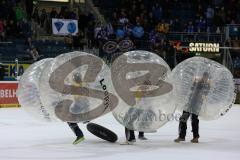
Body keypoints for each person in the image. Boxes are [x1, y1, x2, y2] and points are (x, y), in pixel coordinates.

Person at [174, 72, 211, 143]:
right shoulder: (197, 82)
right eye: (204, 77)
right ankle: (182, 136)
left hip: (197, 104)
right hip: (190, 103)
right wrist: (194, 82)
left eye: (206, 77)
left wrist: (201, 85)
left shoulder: (207, 85)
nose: (204, 78)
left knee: (194, 120)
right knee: (183, 119)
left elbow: (204, 94)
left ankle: (195, 137)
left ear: (207, 78)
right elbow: (191, 89)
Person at [67, 73, 89, 144]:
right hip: (85, 105)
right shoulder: (83, 84)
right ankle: (86, 117)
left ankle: (80, 135)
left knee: (69, 120)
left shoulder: (75, 86)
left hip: (80, 105)